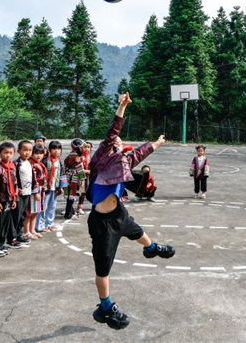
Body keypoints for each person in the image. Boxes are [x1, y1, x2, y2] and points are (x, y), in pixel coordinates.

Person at [87, 92, 173, 330]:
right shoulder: (99, 160)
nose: (117, 143)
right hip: (102, 222)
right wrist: (122, 107)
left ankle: (152, 249)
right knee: (103, 267)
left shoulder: (123, 161)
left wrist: (157, 143)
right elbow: (112, 131)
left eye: (119, 143)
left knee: (136, 231)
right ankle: (104, 307)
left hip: (118, 214)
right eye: (114, 142)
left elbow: (139, 154)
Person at [8, 140, 33, 249]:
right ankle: (11, 238)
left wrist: (34, 187)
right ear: (19, 151)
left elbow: (33, 178)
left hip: (27, 193)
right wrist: (16, 189)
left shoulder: (29, 162)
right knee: (15, 216)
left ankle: (18, 235)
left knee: (22, 216)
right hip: (19, 195)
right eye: (25, 150)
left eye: (30, 150)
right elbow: (13, 179)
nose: (27, 152)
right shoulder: (16, 164)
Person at [38, 141, 62, 233]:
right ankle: (40, 225)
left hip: (54, 188)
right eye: (54, 149)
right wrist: (43, 187)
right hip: (46, 189)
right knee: (43, 207)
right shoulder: (45, 161)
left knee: (52, 206)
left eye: (58, 149)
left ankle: (49, 223)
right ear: (49, 150)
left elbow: (61, 174)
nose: (56, 151)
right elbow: (42, 175)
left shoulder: (58, 161)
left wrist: (60, 187)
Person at [64, 138, 86, 219]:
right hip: (74, 178)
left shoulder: (70, 155)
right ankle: (68, 213)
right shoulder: (77, 156)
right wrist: (82, 179)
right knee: (72, 195)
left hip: (67, 176)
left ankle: (71, 211)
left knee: (69, 195)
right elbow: (79, 168)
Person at [28, 144, 47, 238]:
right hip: (33, 191)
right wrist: (35, 192)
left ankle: (32, 230)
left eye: (41, 153)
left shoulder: (40, 164)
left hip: (40, 191)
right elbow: (32, 180)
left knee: (35, 211)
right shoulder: (31, 164)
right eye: (36, 153)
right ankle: (27, 232)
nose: (38, 156)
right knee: (29, 212)